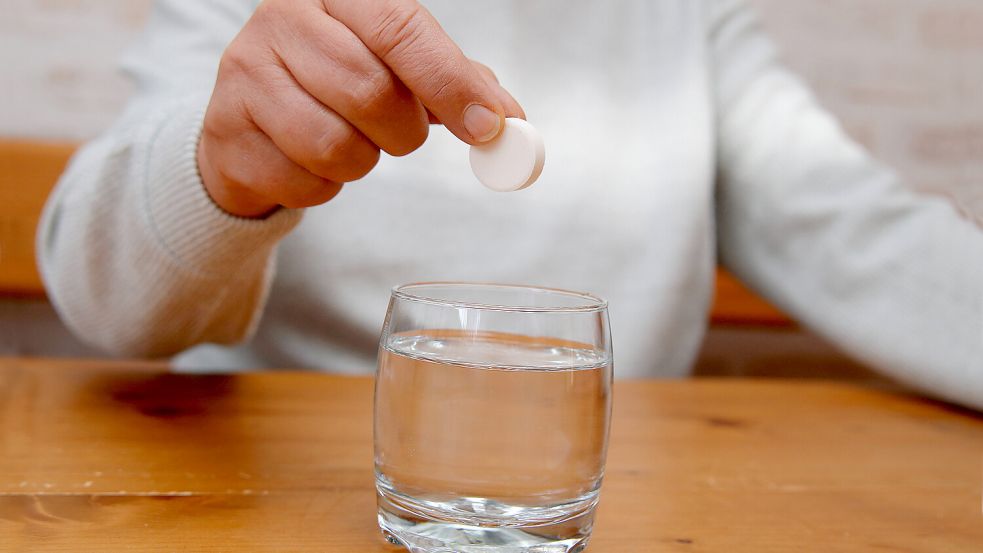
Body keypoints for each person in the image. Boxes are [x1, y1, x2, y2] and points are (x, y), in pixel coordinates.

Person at [38, 0, 983, 409]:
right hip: (283, 492)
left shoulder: (678, 17)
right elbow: (104, 293)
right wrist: (220, 174)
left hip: (610, 506)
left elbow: (860, 232)